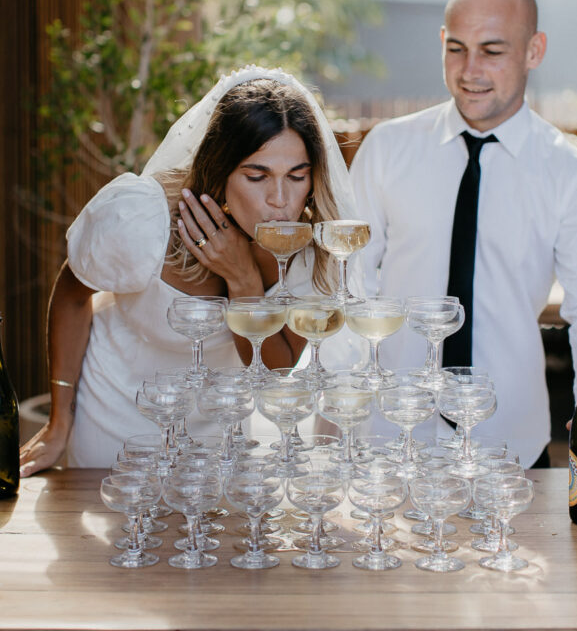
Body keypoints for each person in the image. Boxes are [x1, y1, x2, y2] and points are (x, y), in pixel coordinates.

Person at [350, 0, 577, 471]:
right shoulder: (385, 149)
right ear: (442, 42)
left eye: (492, 50)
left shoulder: (571, 175)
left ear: (534, 50)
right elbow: (348, 285)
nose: (470, 70)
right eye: (457, 48)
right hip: (389, 441)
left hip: (512, 445)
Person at [20, 66, 359, 473]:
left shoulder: (307, 244)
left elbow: (278, 368)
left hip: (218, 434)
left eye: (297, 176)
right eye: (257, 175)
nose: (280, 200)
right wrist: (60, 422)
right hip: (113, 416)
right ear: (220, 169)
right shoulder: (143, 214)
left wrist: (243, 280)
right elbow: (74, 296)